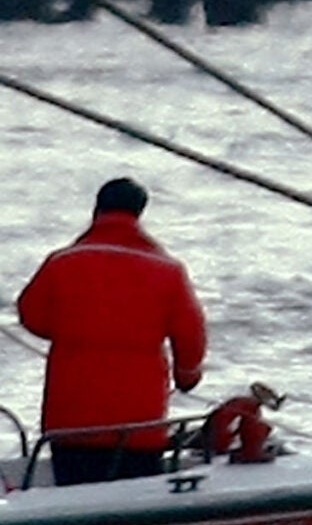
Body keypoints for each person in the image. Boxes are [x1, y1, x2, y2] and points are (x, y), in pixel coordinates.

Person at [16, 178, 207, 484]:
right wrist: (188, 376)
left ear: (97, 209)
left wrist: (74, 334)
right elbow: (191, 335)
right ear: (140, 213)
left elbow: (31, 315)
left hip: (69, 418)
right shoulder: (168, 271)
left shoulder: (61, 262)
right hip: (139, 424)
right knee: (137, 493)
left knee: (73, 495)